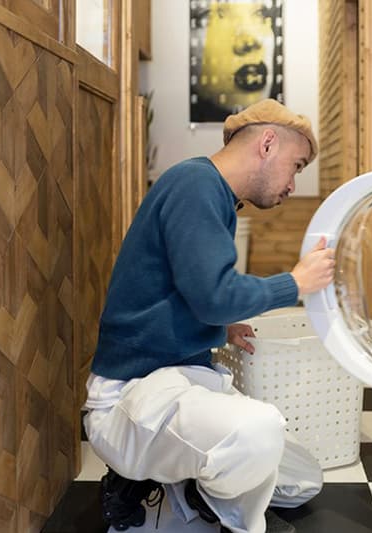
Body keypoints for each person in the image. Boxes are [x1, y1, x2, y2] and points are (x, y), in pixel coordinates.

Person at [82, 99, 335, 533]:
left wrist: (220, 326)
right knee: (259, 434)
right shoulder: (195, 186)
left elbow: (185, 293)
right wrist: (295, 282)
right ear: (268, 143)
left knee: (301, 482)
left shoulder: (211, 192)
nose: (293, 184)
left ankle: (191, 483)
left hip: (174, 384)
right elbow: (214, 295)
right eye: (296, 166)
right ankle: (171, 488)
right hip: (133, 394)